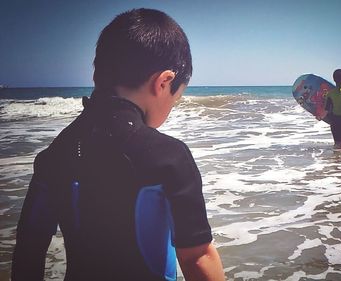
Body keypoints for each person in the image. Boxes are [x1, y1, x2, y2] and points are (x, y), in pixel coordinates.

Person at [11, 8, 225, 281]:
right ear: (164, 82)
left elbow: (28, 251)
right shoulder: (168, 156)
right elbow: (197, 257)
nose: (173, 106)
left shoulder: (54, 155)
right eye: (177, 98)